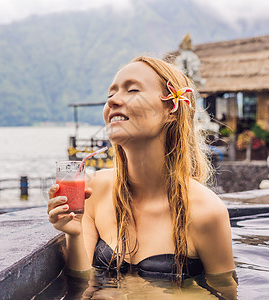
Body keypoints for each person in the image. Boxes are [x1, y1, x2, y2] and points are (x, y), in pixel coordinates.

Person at [47, 56, 236, 293]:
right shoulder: (95, 189)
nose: (113, 101)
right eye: (110, 95)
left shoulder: (206, 211)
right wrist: (73, 233)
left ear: (171, 110)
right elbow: (82, 284)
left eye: (132, 89)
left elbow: (224, 291)